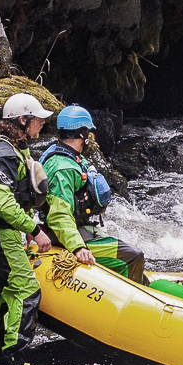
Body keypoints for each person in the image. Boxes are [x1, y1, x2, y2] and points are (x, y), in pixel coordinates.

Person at [0, 93, 83, 365]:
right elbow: (2, 203)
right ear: (23, 120)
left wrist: (28, 228)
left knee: (0, 292)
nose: (42, 124)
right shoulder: (4, 153)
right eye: (38, 120)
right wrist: (34, 228)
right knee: (26, 290)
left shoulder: (10, 146)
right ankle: (11, 360)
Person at [40, 105, 148, 284]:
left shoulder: (70, 156)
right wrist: (78, 248)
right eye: (88, 131)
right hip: (64, 234)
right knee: (134, 255)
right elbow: (59, 215)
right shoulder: (63, 168)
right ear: (82, 133)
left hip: (80, 227)